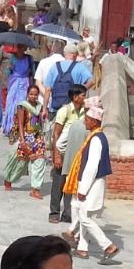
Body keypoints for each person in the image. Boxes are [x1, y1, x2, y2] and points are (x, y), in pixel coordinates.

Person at [63, 97, 120, 263]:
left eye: (87, 120)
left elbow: (91, 167)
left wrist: (82, 190)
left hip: (91, 184)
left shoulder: (96, 139)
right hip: (92, 184)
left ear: (94, 122)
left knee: (85, 218)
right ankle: (82, 248)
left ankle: (108, 246)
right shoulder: (96, 137)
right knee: (85, 216)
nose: (85, 122)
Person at [1, 84, 49, 198]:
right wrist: (22, 140)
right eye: (31, 94)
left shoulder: (40, 106)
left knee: (40, 161)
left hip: (37, 136)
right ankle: (8, 179)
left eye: (35, 94)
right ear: (27, 94)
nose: (33, 96)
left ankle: (35, 188)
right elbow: (21, 124)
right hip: (25, 136)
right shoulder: (22, 106)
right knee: (18, 161)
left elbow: (40, 122)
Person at [48, 85, 87, 225]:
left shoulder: (84, 111)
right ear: (75, 97)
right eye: (83, 95)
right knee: (58, 183)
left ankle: (67, 213)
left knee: (71, 183)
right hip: (63, 152)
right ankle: (54, 212)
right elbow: (56, 134)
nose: (85, 98)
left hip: (76, 153)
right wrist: (56, 155)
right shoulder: (64, 111)